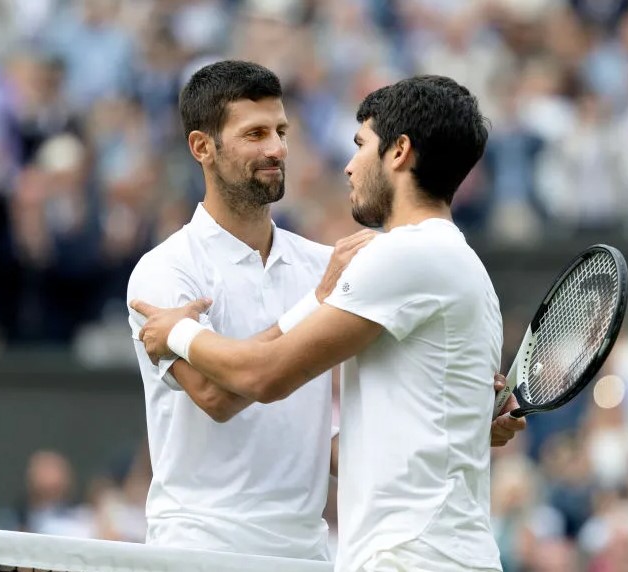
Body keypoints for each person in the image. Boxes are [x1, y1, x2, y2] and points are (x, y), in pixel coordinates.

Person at [132, 75, 517, 571]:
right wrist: (458, 420)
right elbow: (216, 396)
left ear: (398, 153)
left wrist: (178, 333)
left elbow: (261, 377)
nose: (278, 149)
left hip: (375, 555)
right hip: (202, 549)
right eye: (255, 134)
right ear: (202, 147)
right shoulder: (164, 269)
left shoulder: (356, 266)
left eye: (281, 131)